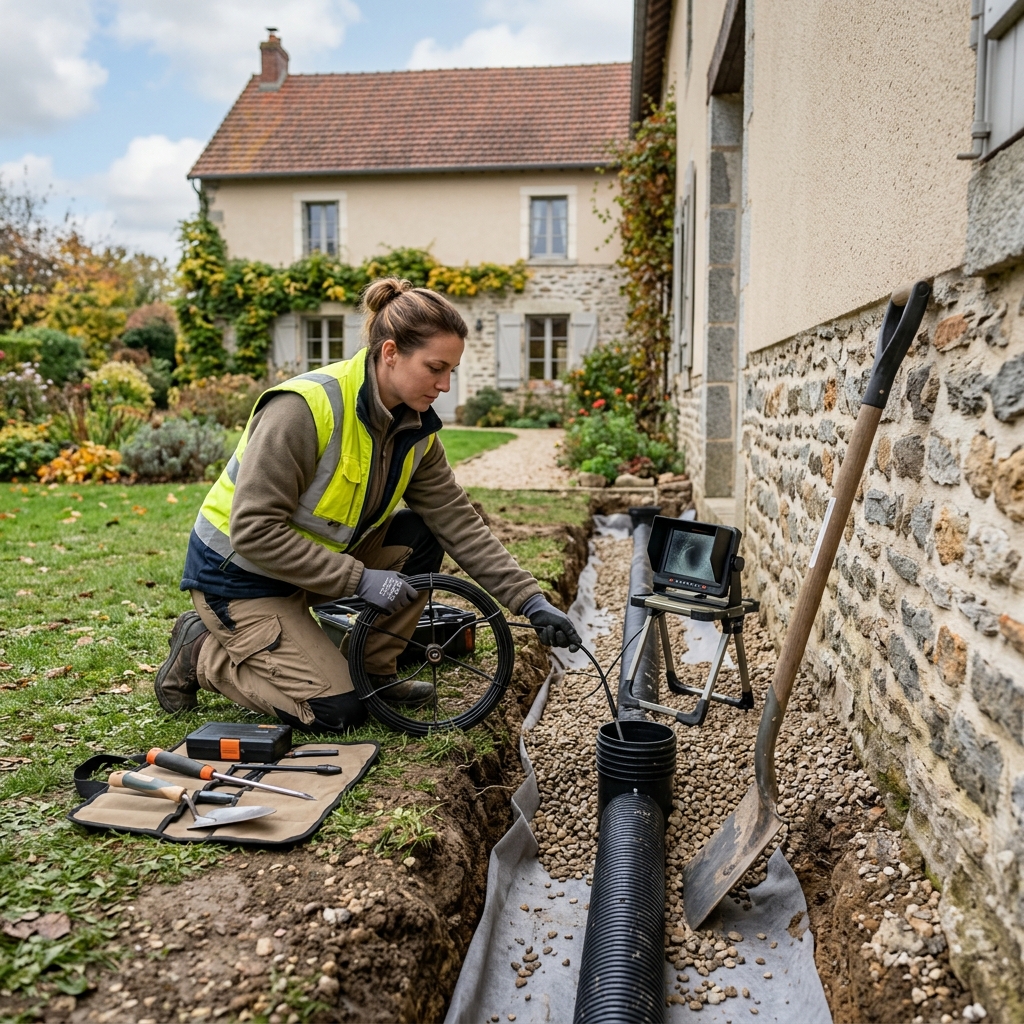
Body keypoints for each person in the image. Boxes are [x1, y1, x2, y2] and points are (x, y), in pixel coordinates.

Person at [154, 277, 580, 732]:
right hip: (239, 577)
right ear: (391, 352)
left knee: (422, 531)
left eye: (451, 370)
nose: (445, 385)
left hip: (310, 568)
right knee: (337, 713)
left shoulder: (416, 431)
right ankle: (203, 652)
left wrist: (531, 600)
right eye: (435, 368)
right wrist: (359, 578)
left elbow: (457, 521)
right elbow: (254, 531)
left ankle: (375, 673)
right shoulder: (302, 409)